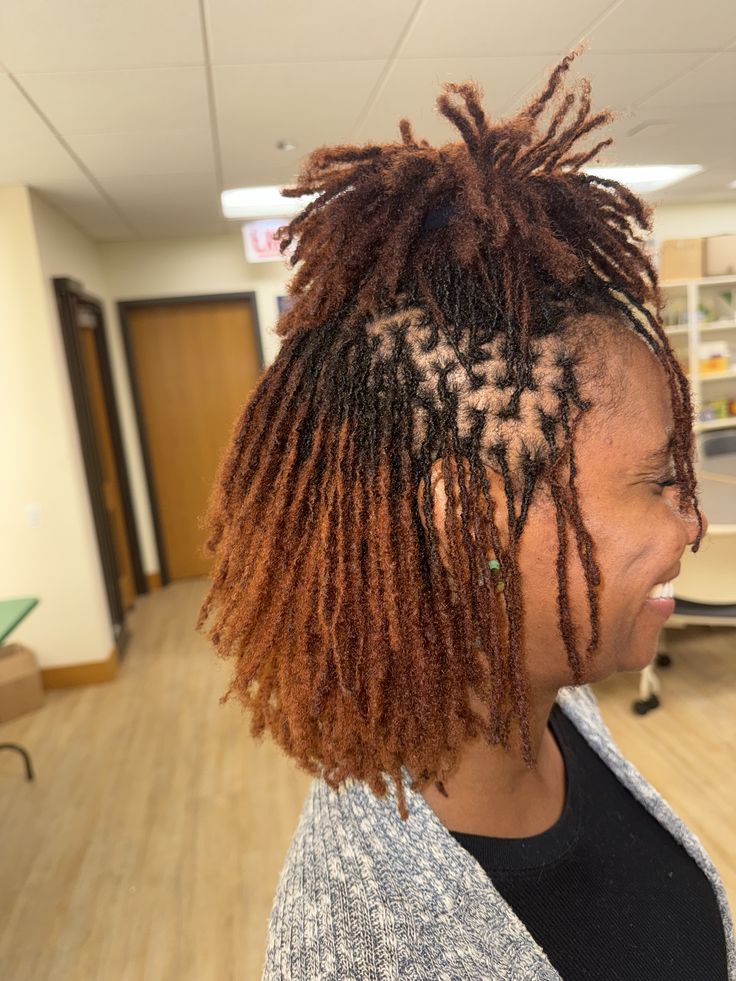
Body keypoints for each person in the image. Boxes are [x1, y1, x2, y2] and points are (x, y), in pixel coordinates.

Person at [195, 47, 735, 980]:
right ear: (467, 524)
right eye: (656, 482)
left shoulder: (557, 716)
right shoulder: (365, 944)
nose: (692, 524)